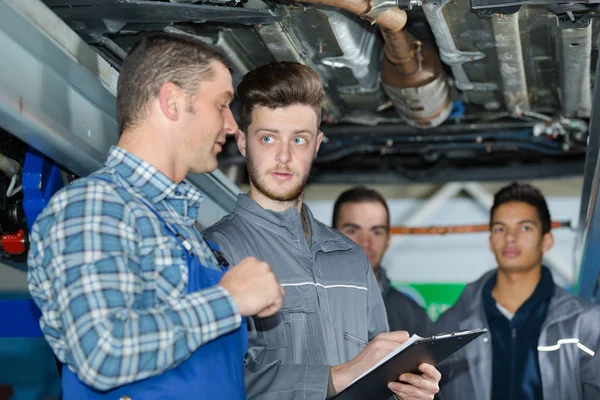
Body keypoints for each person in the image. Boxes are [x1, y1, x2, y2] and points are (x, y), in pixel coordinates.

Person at [27, 34, 284, 399]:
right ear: (173, 101)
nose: (231, 126)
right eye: (223, 105)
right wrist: (229, 300)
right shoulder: (95, 205)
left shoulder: (187, 232)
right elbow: (102, 353)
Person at [203, 61, 440, 400]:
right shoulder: (218, 250)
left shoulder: (351, 258)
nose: (283, 156)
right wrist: (338, 376)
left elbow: (381, 376)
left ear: (317, 144)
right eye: (268, 138)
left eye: (299, 139)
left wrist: (407, 389)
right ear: (242, 142)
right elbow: (215, 382)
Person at [434, 182, 600, 400]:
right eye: (500, 229)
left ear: (547, 241)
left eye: (525, 227)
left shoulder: (585, 323)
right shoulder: (451, 326)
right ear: (491, 241)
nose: (510, 238)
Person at [332, 187, 432, 337]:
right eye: (352, 230)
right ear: (329, 235)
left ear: (388, 240)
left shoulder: (412, 314)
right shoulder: (308, 306)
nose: (365, 242)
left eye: (376, 232)